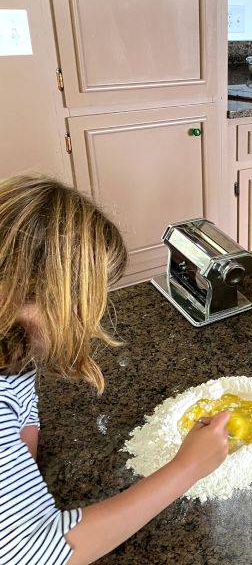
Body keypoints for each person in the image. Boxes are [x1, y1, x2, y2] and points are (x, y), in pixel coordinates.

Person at [0, 175, 231, 564]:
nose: (91, 322)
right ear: (39, 296)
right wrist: (186, 469)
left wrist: (18, 458)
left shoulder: (10, 345)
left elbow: (19, 404)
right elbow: (35, 553)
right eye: (86, 303)